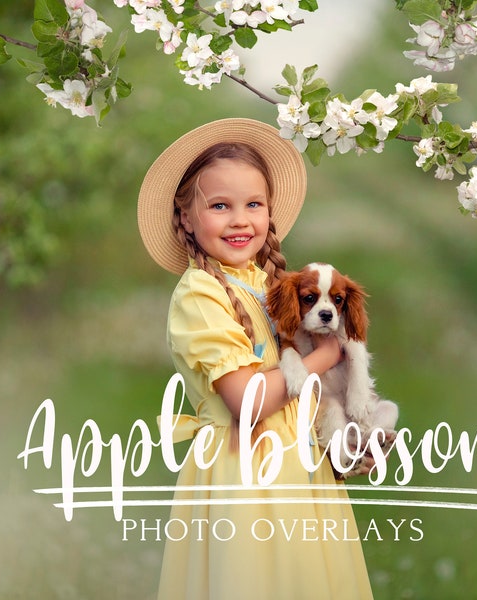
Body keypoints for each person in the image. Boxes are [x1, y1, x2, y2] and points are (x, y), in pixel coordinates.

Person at [137, 118, 374, 600]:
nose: (240, 219)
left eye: (253, 205)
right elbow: (246, 401)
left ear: (270, 212)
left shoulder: (270, 286)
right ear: (186, 216)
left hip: (300, 469)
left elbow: (304, 388)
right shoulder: (200, 294)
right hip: (243, 474)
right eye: (220, 206)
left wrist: (341, 429)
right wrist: (324, 357)